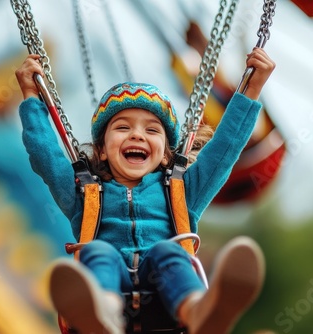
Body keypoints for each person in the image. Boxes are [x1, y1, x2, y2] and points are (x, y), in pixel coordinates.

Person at [15, 48, 275, 334]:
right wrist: (30, 97)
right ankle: (102, 311)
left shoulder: (182, 192)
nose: (137, 135)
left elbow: (225, 149)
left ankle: (198, 310)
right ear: (101, 150)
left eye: (152, 130)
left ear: (165, 154)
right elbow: (45, 155)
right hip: (112, 289)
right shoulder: (85, 196)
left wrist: (252, 89)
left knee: (167, 252)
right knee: (99, 251)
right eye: (122, 127)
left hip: (167, 298)